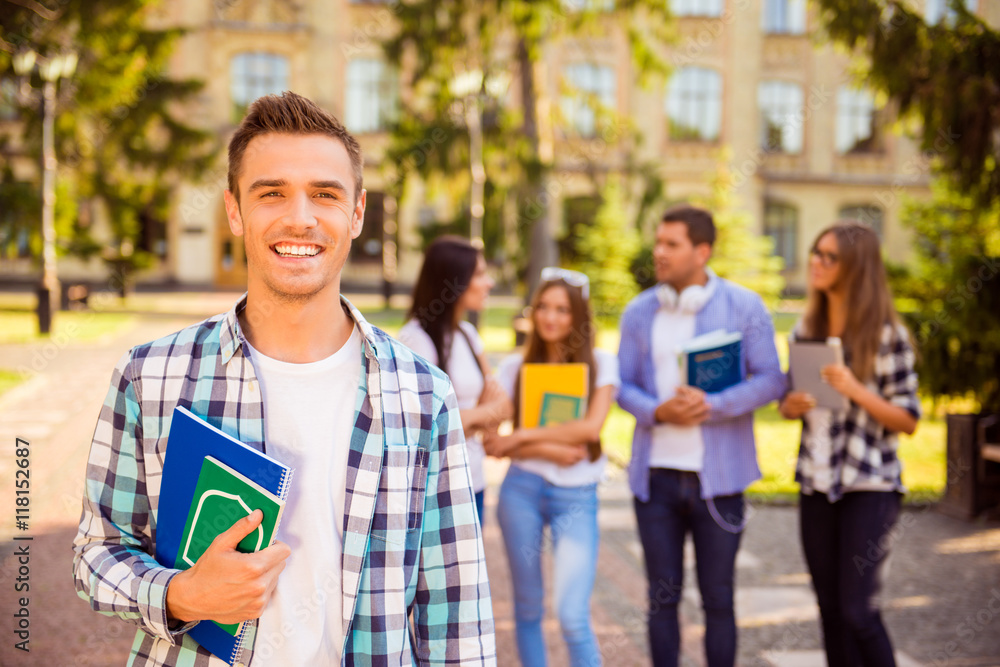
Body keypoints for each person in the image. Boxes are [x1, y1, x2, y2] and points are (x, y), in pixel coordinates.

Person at [72, 91, 495, 666]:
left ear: (358, 212)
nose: (300, 217)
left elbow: (455, 609)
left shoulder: (424, 395)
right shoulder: (150, 376)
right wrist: (180, 593)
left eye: (325, 194)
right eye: (272, 193)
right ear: (234, 210)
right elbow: (97, 552)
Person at [617, 205, 785, 667]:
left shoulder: (745, 306)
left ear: (702, 251)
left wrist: (714, 406)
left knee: (719, 601)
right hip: (656, 483)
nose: (660, 252)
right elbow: (622, 384)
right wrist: (657, 410)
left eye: (672, 244)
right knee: (661, 599)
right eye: (658, 242)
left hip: (720, 482)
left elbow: (772, 379)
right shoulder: (638, 311)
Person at [779, 222, 920, 667]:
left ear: (855, 267)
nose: (816, 263)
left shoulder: (887, 335)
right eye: (814, 253)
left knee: (859, 611)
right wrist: (793, 404)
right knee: (831, 610)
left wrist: (857, 390)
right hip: (816, 482)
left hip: (870, 485)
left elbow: (909, 419)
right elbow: (787, 405)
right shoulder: (806, 327)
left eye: (828, 256)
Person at [484, 268, 618, 667]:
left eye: (562, 309)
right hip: (521, 490)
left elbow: (591, 428)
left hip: (576, 494)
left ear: (579, 316)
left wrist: (523, 439)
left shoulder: (602, 364)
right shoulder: (512, 368)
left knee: (573, 616)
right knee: (527, 610)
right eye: (542, 306)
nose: (550, 317)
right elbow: (492, 441)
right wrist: (550, 448)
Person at [397, 236, 509, 524]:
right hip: (436, 491)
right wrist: (481, 415)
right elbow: (424, 425)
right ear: (453, 280)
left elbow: (502, 404)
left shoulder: (468, 335)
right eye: (480, 274)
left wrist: (461, 420)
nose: (489, 283)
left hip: (475, 482)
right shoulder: (415, 340)